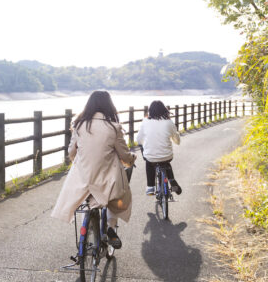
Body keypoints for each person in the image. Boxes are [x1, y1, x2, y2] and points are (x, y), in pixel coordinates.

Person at [51, 91, 136, 249]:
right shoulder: (113, 127)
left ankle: (86, 234)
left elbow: (71, 152)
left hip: (82, 179)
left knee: (90, 199)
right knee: (116, 199)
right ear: (109, 106)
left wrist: (80, 162)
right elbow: (124, 154)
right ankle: (111, 228)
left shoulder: (79, 125)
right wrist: (131, 159)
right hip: (106, 179)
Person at [136, 100, 182, 196]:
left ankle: (150, 187)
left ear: (150, 111)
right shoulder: (169, 122)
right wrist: (176, 138)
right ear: (164, 110)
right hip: (167, 155)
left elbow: (139, 139)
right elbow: (177, 140)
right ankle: (172, 181)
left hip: (151, 156)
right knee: (166, 162)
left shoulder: (145, 121)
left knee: (149, 163)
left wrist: (143, 144)